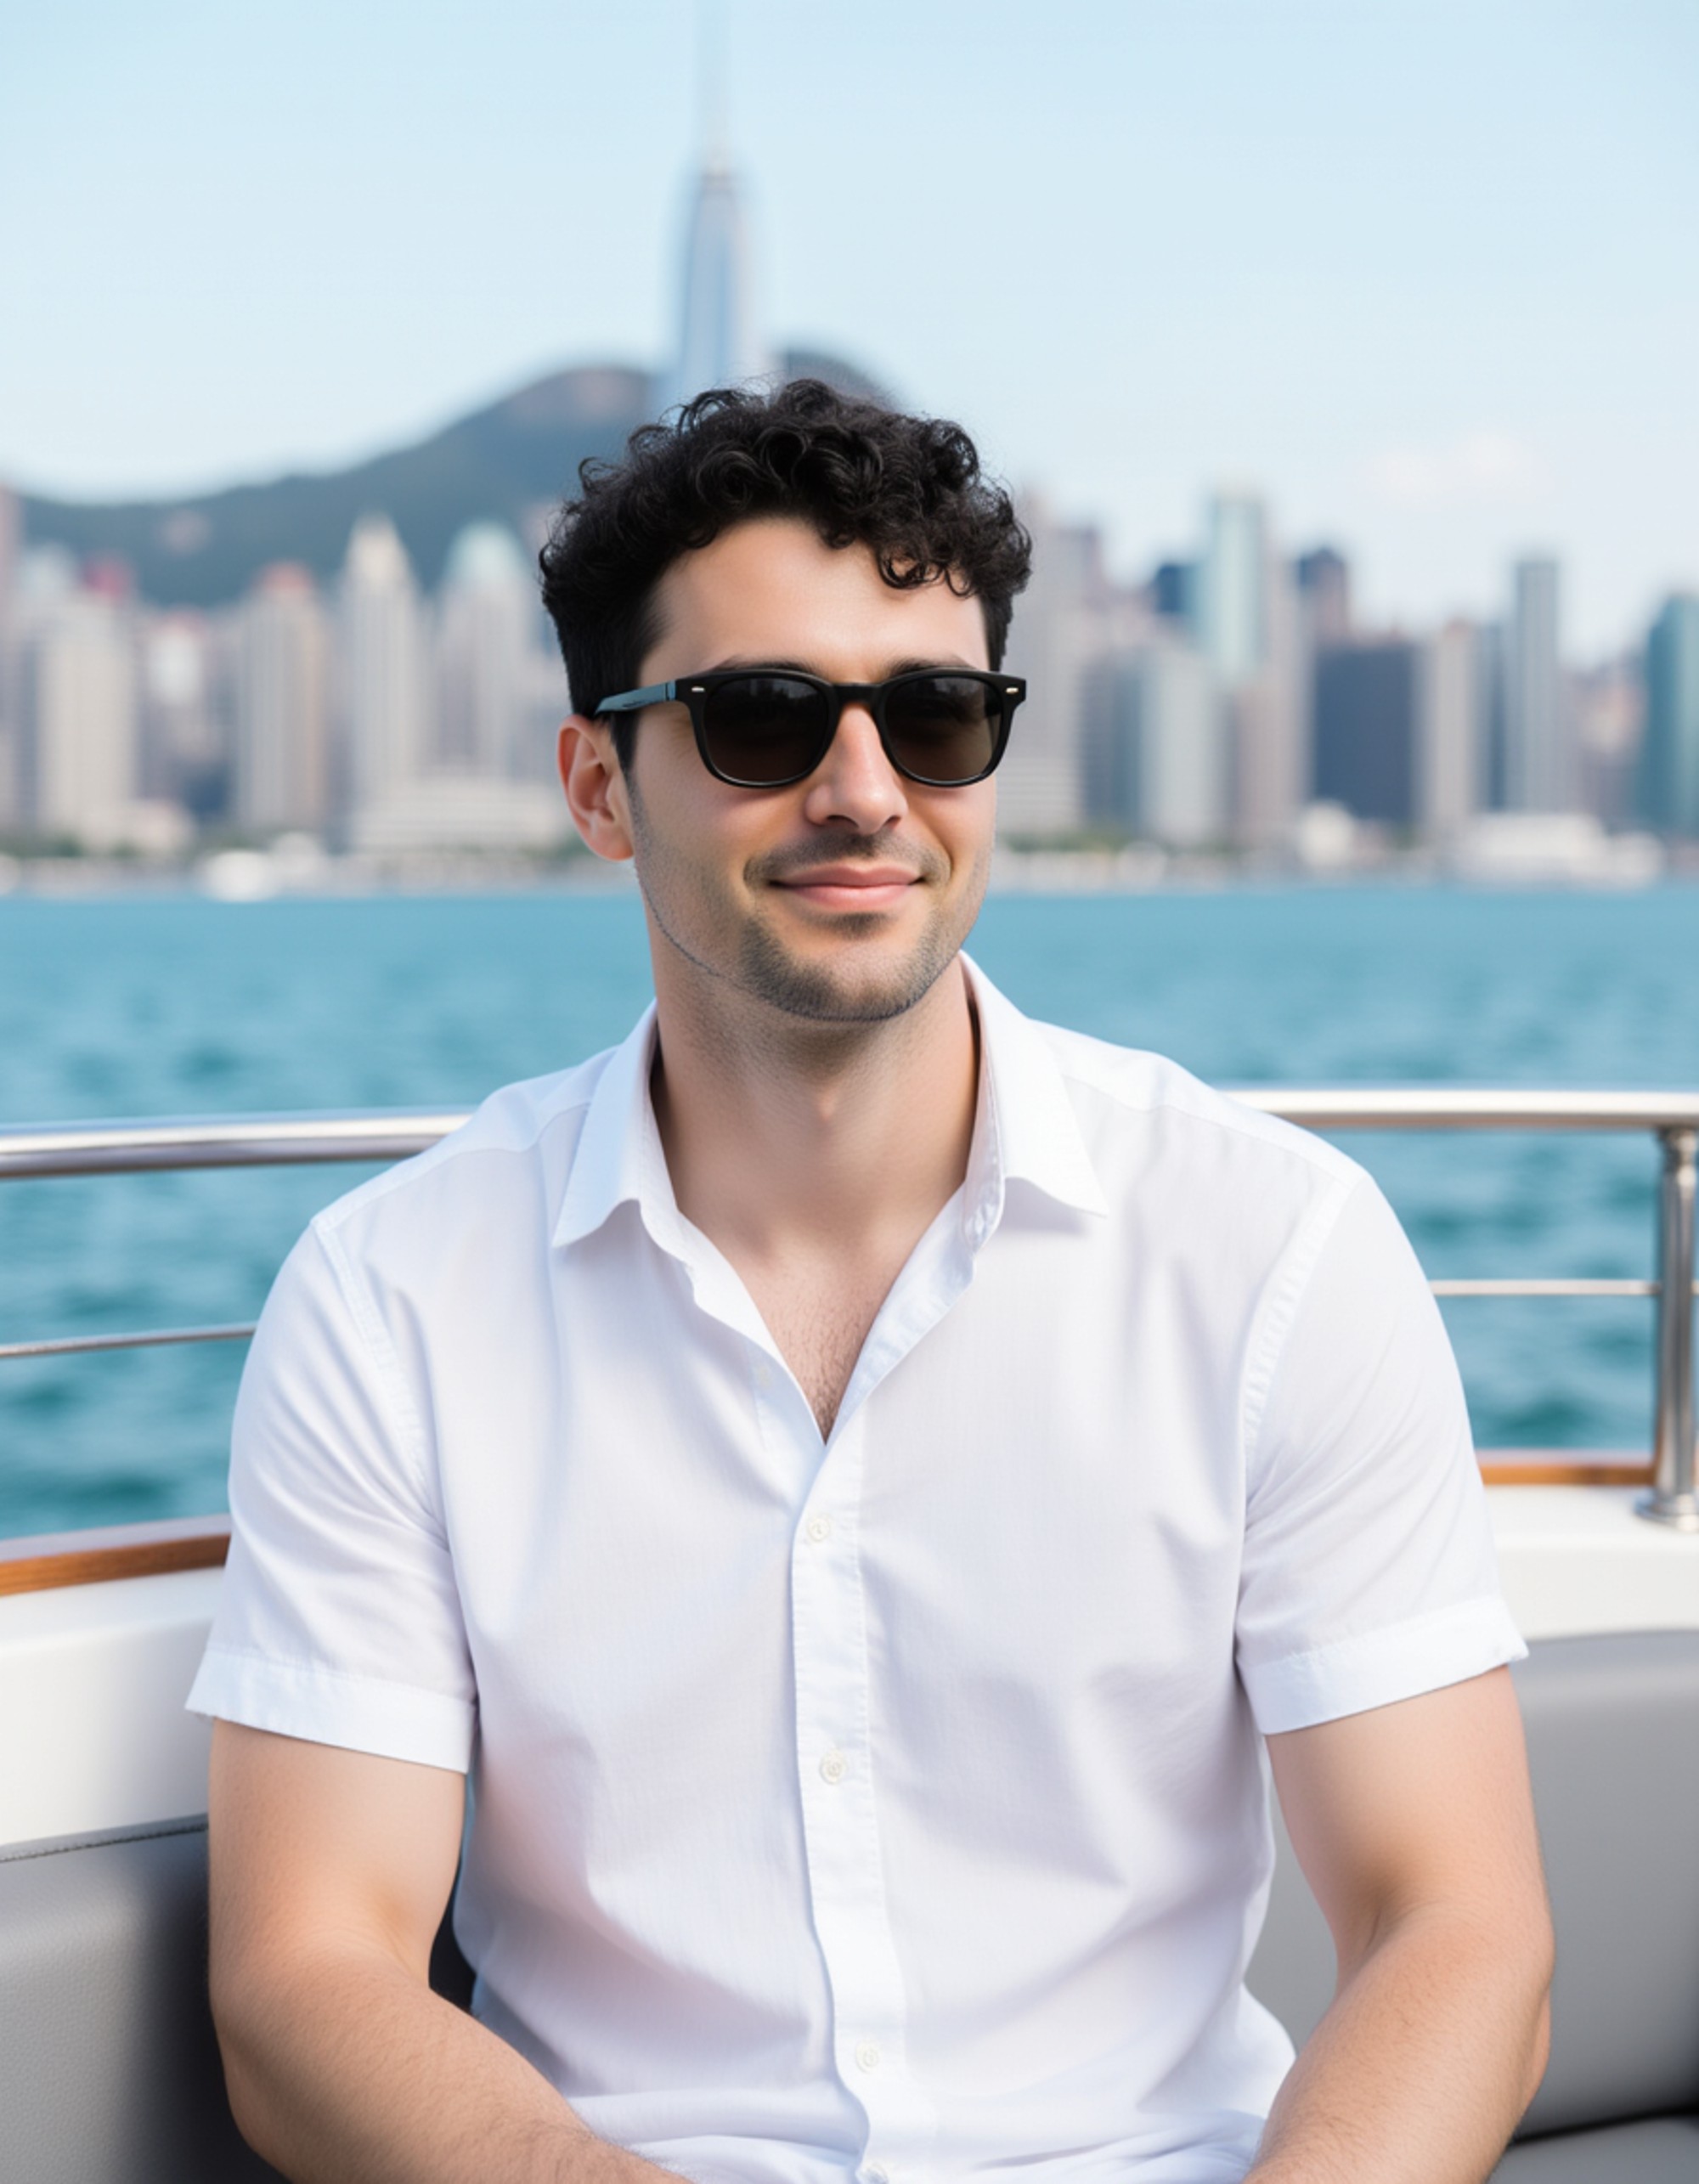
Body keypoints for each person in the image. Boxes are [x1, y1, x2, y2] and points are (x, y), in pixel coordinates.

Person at [193, 380, 1552, 2184]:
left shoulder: (1270, 1248)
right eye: (760, 720)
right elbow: (304, 1976)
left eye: (933, 716)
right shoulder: (393, 1300)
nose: (863, 792)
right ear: (600, 784)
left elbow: (1458, 1923)